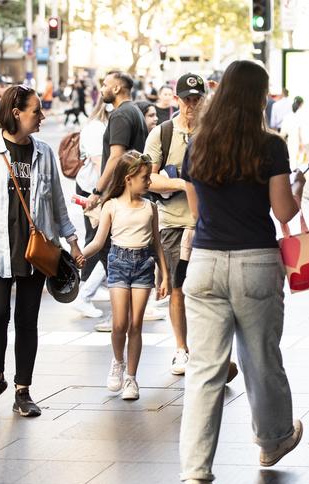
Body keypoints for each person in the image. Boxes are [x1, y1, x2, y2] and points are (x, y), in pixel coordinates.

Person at [179, 60, 306, 484]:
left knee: (204, 370)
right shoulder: (270, 146)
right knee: (261, 357)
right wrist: (299, 188)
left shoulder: (198, 144)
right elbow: (284, 211)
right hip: (255, 262)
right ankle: (273, 440)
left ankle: (195, 471)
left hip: (205, 264)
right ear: (258, 97)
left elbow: (196, 212)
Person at [0, 85, 83, 417]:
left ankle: (23, 390)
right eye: (36, 111)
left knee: (27, 321)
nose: (41, 117)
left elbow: (57, 203)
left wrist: (71, 241)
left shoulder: (44, 152)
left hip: (35, 252)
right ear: (16, 113)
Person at [82, 151, 169, 400]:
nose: (149, 182)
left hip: (143, 265)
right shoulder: (111, 206)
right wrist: (80, 255)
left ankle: (131, 378)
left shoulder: (150, 207)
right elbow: (99, 241)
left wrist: (164, 275)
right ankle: (118, 361)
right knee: (119, 323)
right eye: (145, 178)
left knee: (136, 324)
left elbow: (157, 243)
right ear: (129, 178)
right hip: (119, 263)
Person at [144, 73, 206, 375]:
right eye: (186, 99)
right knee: (178, 287)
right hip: (172, 223)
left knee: (207, 289)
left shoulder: (213, 132)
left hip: (207, 225)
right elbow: (147, 177)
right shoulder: (162, 133)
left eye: (197, 99)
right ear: (177, 100)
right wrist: (183, 184)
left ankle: (206, 348)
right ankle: (181, 348)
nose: (191, 105)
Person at [85, 71, 148, 332]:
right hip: (129, 190)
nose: (102, 88)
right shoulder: (134, 112)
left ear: (119, 87)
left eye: (106, 83)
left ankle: (120, 315)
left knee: (106, 249)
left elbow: (115, 157)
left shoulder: (121, 114)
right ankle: (124, 313)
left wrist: (98, 191)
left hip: (118, 191)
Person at [72, 98, 111, 319]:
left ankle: (90, 286)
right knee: (98, 239)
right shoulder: (96, 128)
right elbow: (98, 162)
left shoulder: (100, 125)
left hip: (97, 189)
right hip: (94, 189)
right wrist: (101, 194)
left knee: (101, 239)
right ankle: (85, 287)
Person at [279, 96, 304, 171]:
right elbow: (301, 130)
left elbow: (283, 133)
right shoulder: (301, 116)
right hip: (300, 141)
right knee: (300, 162)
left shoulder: (287, 117)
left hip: (291, 141)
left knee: (292, 161)